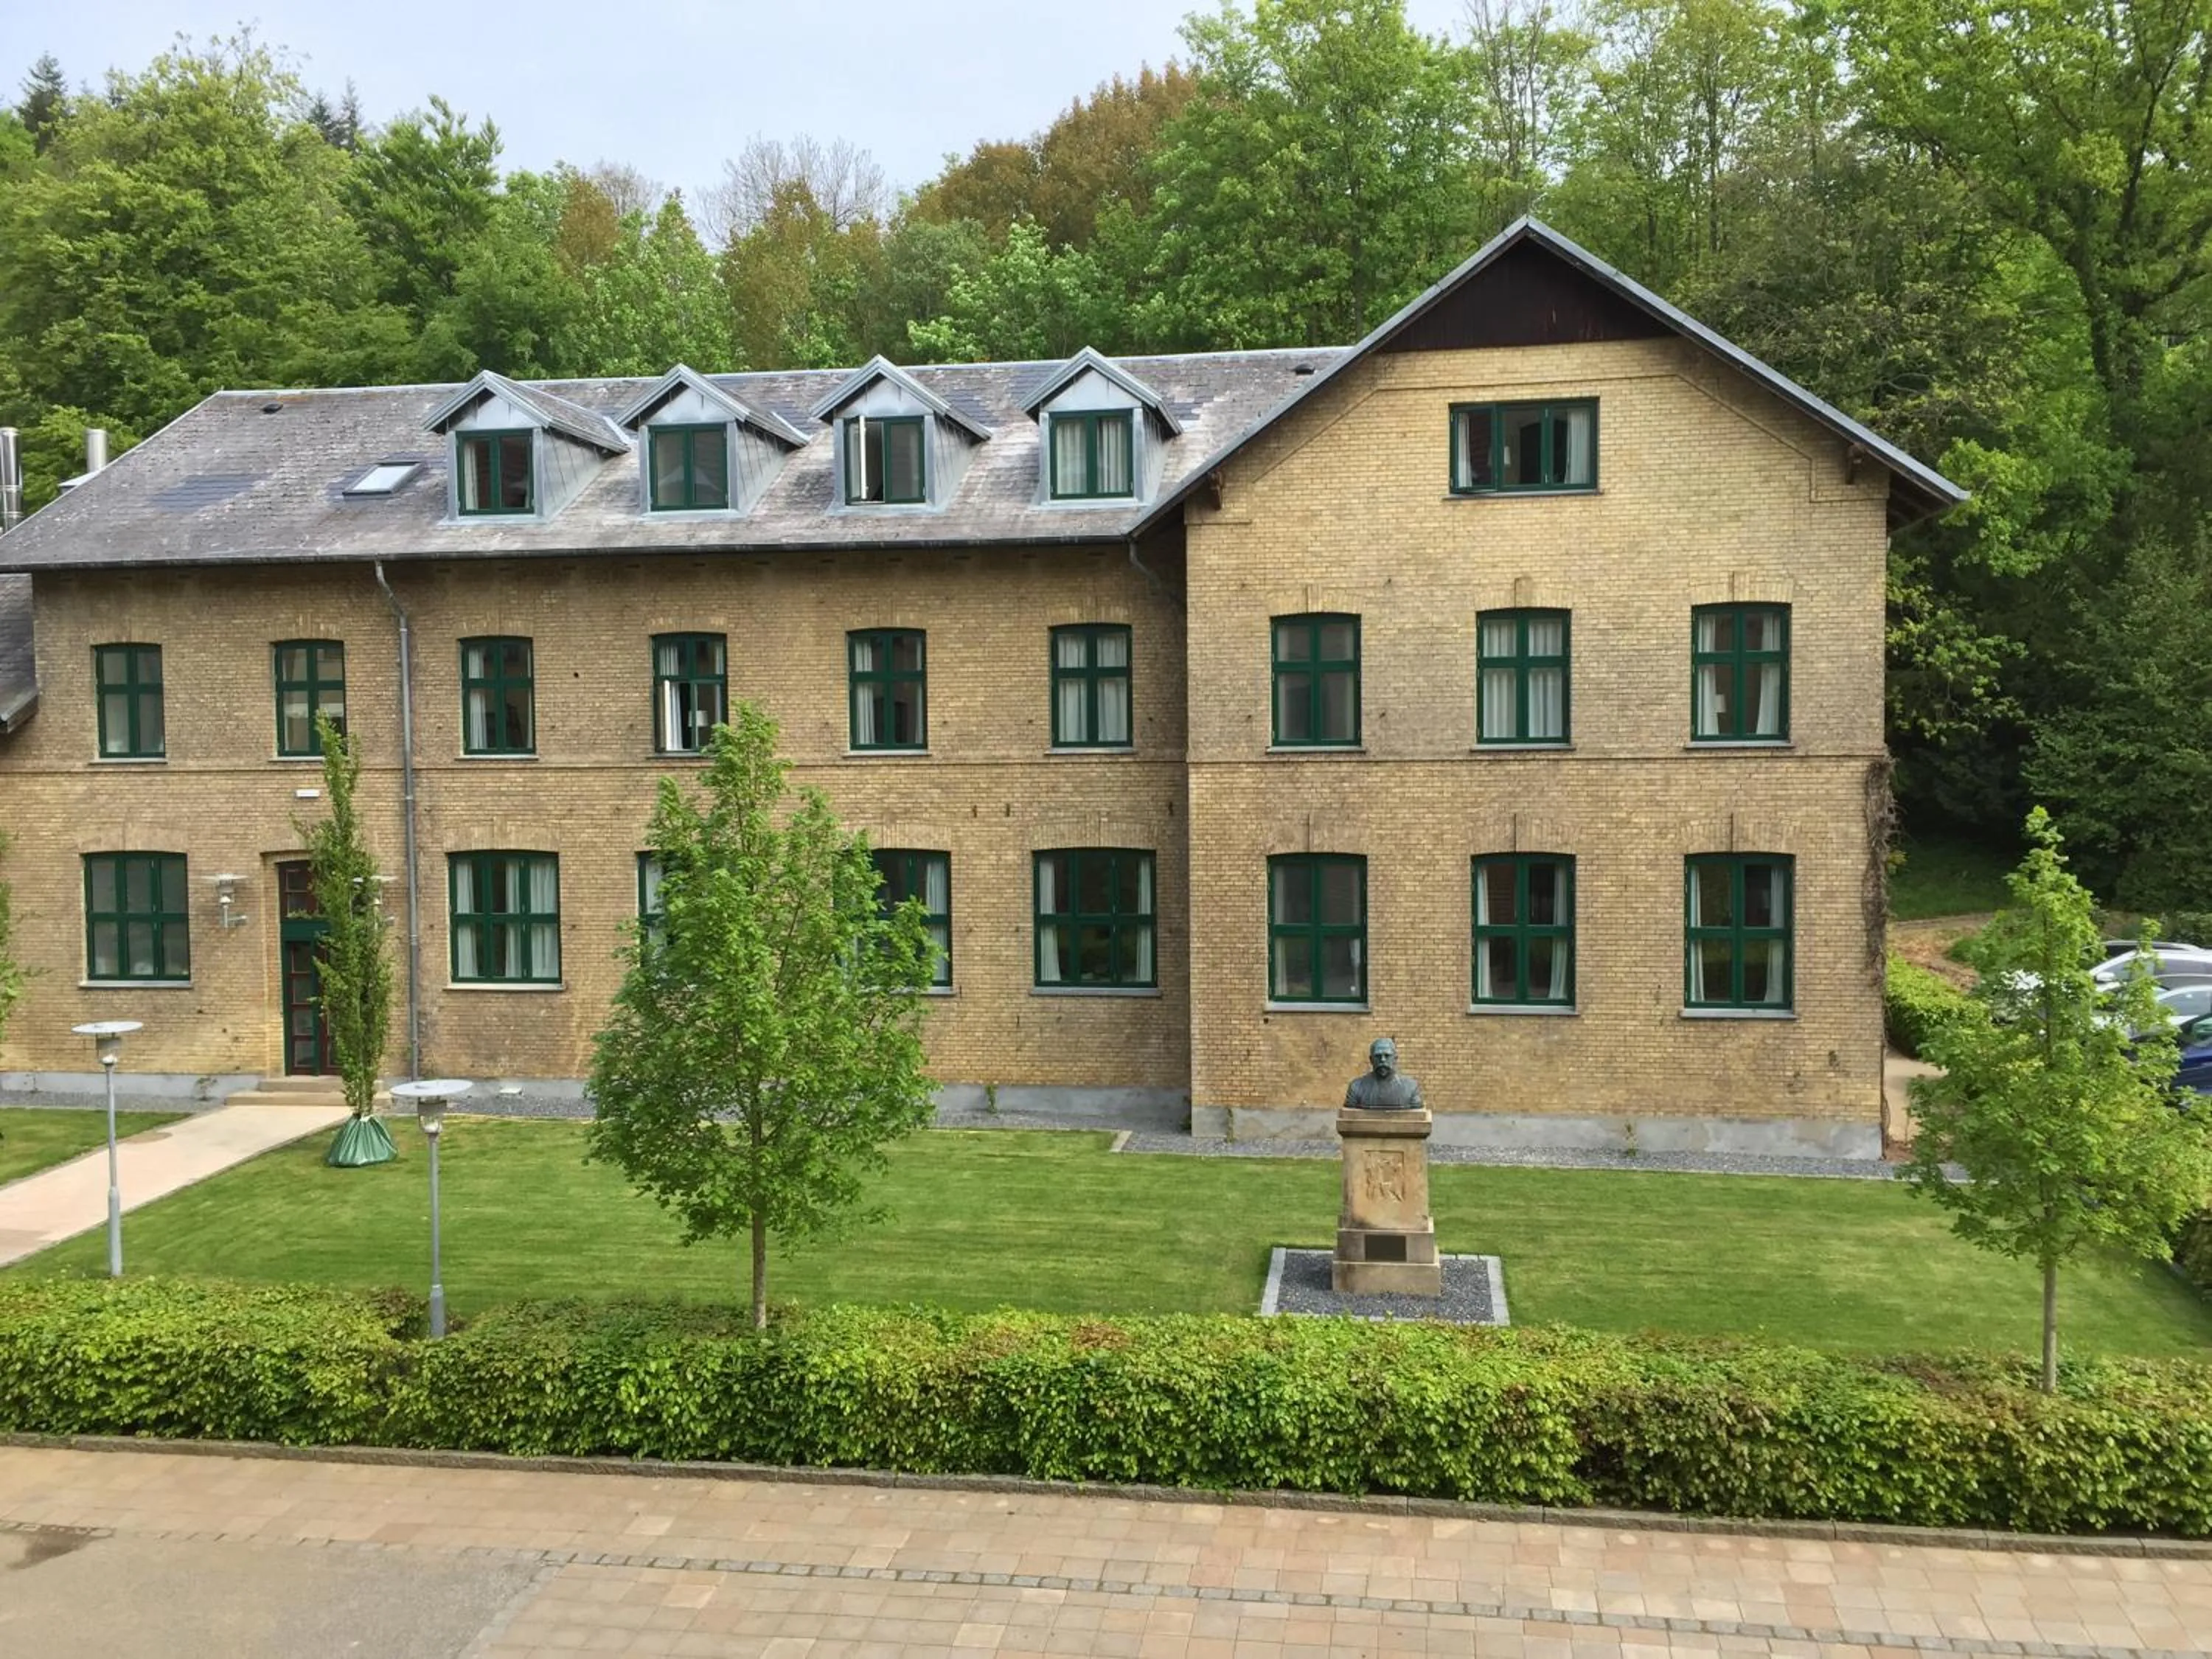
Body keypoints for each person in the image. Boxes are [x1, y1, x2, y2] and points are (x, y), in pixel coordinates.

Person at [1343, 1037, 1423, 1110]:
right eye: (1378, 1056)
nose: (1383, 1060)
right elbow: (1348, 1118)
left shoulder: (1411, 1087)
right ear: (1371, 1060)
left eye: (1387, 1056)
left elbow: (1418, 1118)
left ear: (1395, 1059)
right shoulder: (1356, 1087)